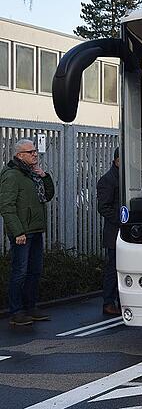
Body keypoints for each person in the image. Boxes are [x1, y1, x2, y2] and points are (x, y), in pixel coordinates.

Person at [0, 139, 55, 326]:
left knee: (34, 271)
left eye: (34, 151)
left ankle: (30, 307)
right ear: (19, 155)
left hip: (35, 230)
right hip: (22, 232)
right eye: (30, 152)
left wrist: (44, 176)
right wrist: (18, 232)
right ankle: (16, 311)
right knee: (20, 272)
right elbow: (7, 206)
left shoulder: (32, 174)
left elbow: (47, 196)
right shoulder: (11, 175)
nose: (35, 154)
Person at [97, 147, 121, 316]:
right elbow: (103, 207)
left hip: (123, 232)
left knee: (122, 267)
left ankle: (119, 300)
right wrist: (121, 221)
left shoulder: (123, 177)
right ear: (117, 160)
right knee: (113, 268)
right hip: (114, 232)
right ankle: (108, 302)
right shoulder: (108, 180)